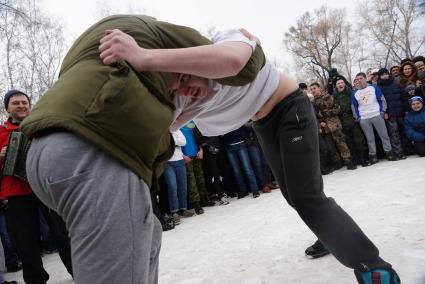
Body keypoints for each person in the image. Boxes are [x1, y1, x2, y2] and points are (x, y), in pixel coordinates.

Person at [21, 15, 400, 284]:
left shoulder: (224, 40)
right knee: (295, 195)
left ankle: (370, 264)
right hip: (263, 124)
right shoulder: (185, 97)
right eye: (178, 84)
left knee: (306, 194)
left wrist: (144, 56)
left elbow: (234, 59)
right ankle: (330, 234)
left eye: (188, 72)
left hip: (289, 109)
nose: (186, 86)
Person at [0, 90, 73, 284]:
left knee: (62, 233)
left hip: (45, 188)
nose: (22, 106)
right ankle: (36, 280)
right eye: (16, 103)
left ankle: (80, 271)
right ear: (7, 107)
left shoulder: (40, 127)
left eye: (25, 102)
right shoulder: (1, 133)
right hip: (16, 193)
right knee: (26, 241)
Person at [351, 73, 396, 164]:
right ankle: (373, 155)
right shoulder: (355, 92)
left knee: (384, 136)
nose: (359, 80)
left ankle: (389, 153)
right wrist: (358, 118)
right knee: (370, 139)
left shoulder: (373, 87)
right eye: (357, 79)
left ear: (365, 78)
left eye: (361, 78)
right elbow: (354, 106)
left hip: (376, 115)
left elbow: (381, 99)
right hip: (364, 118)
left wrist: (382, 111)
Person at [163, 129, 194, 225]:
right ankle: (174, 212)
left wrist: (172, 141)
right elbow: (162, 145)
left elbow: (183, 142)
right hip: (167, 163)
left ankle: (183, 209)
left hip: (180, 161)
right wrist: (176, 142)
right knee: (172, 187)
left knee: (183, 186)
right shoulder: (162, 131)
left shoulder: (176, 129)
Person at [377, 68, 407, 160]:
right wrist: (384, 112)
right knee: (394, 134)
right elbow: (379, 102)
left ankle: (408, 150)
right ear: (380, 76)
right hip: (390, 114)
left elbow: (403, 96)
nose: (385, 76)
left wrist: (405, 108)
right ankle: (399, 152)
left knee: (404, 132)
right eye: (382, 74)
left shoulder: (396, 84)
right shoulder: (379, 87)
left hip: (401, 112)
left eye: (386, 73)